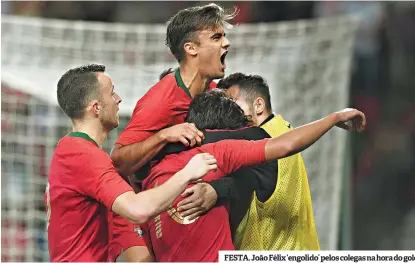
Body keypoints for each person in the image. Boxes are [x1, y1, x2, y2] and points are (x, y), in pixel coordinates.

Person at [141, 90, 366, 262]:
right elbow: (286, 145)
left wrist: (218, 190)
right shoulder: (217, 152)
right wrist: (335, 117)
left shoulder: (148, 184)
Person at [45, 64, 218, 262]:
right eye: (112, 93)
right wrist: (188, 172)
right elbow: (138, 210)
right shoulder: (84, 155)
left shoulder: (72, 151)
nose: (118, 99)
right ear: (96, 108)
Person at [109, 3, 236, 261]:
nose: (227, 43)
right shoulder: (161, 101)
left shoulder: (214, 94)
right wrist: (163, 135)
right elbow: (118, 161)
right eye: (217, 37)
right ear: (190, 49)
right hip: (136, 208)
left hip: (175, 198)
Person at [218, 73, 320, 250]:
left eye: (233, 103)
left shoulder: (258, 138)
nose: (228, 112)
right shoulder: (282, 129)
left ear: (258, 105)